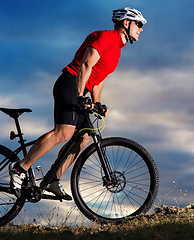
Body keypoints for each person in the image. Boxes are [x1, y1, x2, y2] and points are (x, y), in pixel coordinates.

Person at [9, 7, 147, 200]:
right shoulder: (107, 37)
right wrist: (81, 94)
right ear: (126, 23)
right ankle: (19, 168)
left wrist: (97, 103)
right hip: (70, 83)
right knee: (63, 132)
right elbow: (86, 64)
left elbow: (98, 78)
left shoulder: (117, 50)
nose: (141, 29)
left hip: (81, 88)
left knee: (83, 138)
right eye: (139, 24)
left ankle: (51, 180)